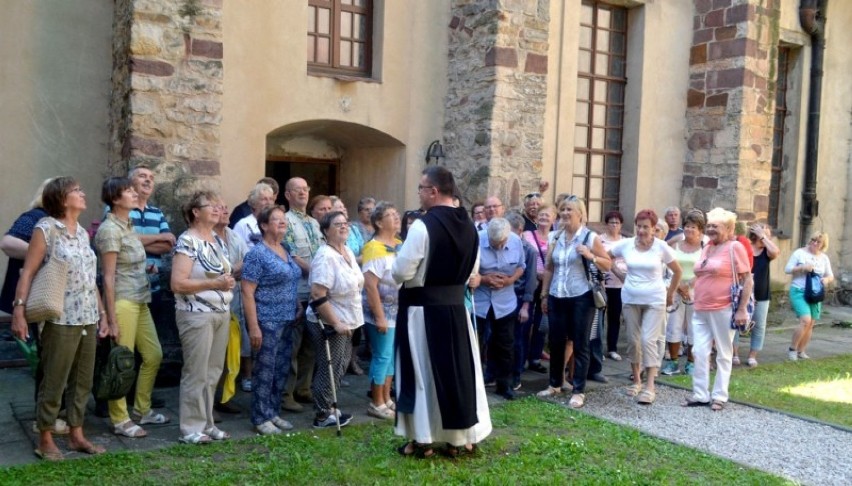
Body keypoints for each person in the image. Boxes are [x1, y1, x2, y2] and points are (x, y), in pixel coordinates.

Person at [392, 166, 491, 458]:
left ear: (434, 191)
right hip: (456, 311)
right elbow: (473, 269)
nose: (419, 194)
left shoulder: (423, 226)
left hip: (422, 313)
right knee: (458, 373)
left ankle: (421, 440)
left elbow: (400, 271)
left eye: (422, 188)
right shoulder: (471, 226)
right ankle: (460, 438)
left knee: (422, 374)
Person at [11, 177, 110, 460]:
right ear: (62, 198)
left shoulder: (81, 232)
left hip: (87, 315)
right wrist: (19, 310)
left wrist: (102, 313)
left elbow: (91, 279)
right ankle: (45, 437)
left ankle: (77, 434)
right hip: (59, 316)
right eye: (76, 191)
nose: (82, 194)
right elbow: (28, 272)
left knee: (82, 380)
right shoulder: (45, 229)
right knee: (54, 378)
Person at [95, 177, 168, 438]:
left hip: (141, 298)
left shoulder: (128, 226)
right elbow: (108, 277)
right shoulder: (110, 230)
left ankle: (141, 409)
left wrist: (144, 268)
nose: (134, 193)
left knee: (153, 355)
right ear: (115, 199)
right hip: (123, 301)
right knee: (121, 361)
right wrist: (111, 318)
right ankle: (120, 418)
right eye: (128, 190)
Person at [1, 178, 70, 435]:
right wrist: (42, 252)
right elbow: (8, 243)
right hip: (35, 299)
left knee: (50, 356)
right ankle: (44, 418)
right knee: (44, 357)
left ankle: (54, 410)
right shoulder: (35, 217)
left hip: (49, 298)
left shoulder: (60, 223)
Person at [171, 190, 235, 444]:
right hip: (196, 314)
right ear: (196, 212)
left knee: (213, 372)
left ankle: (207, 424)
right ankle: (190, 428)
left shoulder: (217, 241)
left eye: (220, 205)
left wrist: (225, 282)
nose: (219, 209)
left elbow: (219, 277)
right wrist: (216, 284)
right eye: (212, 206)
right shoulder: (188, 241)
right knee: (196, 372)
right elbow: (177, 283)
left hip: (220, 313)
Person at [537, 196, 611, 409]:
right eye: (562, 210)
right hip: (557, 295)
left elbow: (607, 264)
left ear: (580, 213)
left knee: (580, 343)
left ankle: (578, 390)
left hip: (581, 296)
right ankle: (555, 384)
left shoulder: (589, 237)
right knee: (557, 341)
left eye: (570, 210)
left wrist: (590, 256)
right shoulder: (555, 236)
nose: (565, 214)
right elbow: (549, 267)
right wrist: (544, 294)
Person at [682, 208, 752, 411]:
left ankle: (720, 395)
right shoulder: (707, 247)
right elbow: (703, 273)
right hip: (701, 307)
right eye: (709, 225)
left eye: (715, 226)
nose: (710, 229)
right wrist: (688, 285)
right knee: (699, 351)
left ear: (729, 229)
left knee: (723, 352)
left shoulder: (734, 247)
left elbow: (747, 280)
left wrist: (741, 310)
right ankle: (700, 394)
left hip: (723, 307)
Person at [609, 210, 682, 405]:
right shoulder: (626, 245)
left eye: (646, 227)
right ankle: (637, 380)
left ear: (654, 228)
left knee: (648, 339)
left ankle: (650, 385)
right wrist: (618, 273)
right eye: (639, 226)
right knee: (633, 341)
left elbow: (677, 271)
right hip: (631, 298)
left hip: (655, 299)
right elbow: (605, 257)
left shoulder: (661, 247)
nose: (641, 231)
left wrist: (670, 293)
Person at [241, 205, 301, 434]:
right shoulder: (257, 253)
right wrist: (254, 327)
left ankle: (273, 412)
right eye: (276, 220)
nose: (282, 222)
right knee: (265, 370)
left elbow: (291, 279)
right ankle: (259, 417)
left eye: (283, 219)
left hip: (288, 318)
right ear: (264, 225)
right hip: (266, 320)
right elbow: (247, 291)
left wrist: (296, 304)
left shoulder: (285, 247)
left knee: (281, 369)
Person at [306, 211, 364, 429]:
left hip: (350, 319)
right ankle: (322, 414)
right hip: (331, 322)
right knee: (330, 367)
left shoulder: (346, 251)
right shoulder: (325, 256)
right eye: (337, 224)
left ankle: (330, 405)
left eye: (345, 223)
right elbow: (318, 293)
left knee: (340, 365)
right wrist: (337, 323)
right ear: (325, 230)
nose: (343, 226)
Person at [282, 178, 323, 413]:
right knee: (293, 346)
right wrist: (317, 273)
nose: (303, 193)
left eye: (306, 189)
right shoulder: (285, 221)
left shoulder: (314, 223)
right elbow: (291, 254)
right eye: (297, 190)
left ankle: (303, 388)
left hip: (316, 292)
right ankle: (286, 394)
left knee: (310, 344)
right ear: (287, 195)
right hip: (297, 291)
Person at [474, 217, 526, 400]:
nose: (498, 246)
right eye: (494, 243)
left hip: (505, 302)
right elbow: (468, 270)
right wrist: (485, 279)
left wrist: (510, 280)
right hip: (480, 301)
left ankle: (505, 385)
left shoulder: (516, 241)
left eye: (501, 243)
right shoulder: (476, 239)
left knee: (505, 344)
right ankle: (475, 385)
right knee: (476, 344)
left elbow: (521, 266)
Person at [361, 202, 402, 420]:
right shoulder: (374, 248)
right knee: (382, 355)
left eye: (396, 213)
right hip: (381, 313)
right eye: (390, 214)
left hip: (397, 311)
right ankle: (376, 401)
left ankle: (387, 398)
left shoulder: (399, 244)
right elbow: (370, 285)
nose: (396, 217)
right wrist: (379, 317)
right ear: (378, 222)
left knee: (391, 357)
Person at [213, 202, 248, 414]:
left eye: (227, 207)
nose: (225, 211)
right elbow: (214, 272)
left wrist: (231, 271)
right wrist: (233, 270)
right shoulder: (205, 238)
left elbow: (248, 260)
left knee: (230, 353)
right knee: (214, 355)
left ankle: (225, 398)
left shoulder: (233, 235)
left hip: (234, 302)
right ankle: (209, 403)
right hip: (214, 303)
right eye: (219, 208)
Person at [662, 210, 705, 376]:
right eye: (687, 226)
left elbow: (704, 269)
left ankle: (691, 362)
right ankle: (673, 362)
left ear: (700, 230)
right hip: (676, 288)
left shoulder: (704, 247)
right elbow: (669, 265)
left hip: (697, 291)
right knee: (674, 325)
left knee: (695, 327)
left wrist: (690, 285)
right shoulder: (676, 244)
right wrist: (679, 286)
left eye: (693, 227)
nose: (689, 230)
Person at [732, 223, 779, 367]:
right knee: (736, 324)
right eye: (760, 228)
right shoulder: (745, 247)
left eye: (766, 230)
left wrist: (763, 237)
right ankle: (734, 354)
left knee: (759, 326)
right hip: (742, 292)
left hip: (761, 294)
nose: (763, 231)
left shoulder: (767, 251)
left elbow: (775, 252)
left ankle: (752, 356)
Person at [785, 231, 834, 361]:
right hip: (799, 290)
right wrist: (802, 268)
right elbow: (788, 269)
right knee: (805, 320)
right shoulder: (799, 253)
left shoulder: (824, 258)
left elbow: (830, 275)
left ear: (823, 245)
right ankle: (792, 349)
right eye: (813, 240)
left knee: (811, 323)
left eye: (818, 242)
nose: (814, 243)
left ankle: (802, 351)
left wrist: (826, 280)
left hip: (815, 293)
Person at [521, 204, 554, 373]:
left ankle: (535, 357)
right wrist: (537, 272)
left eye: (547, 215)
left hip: (547, 283)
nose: (543, 218)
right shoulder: (527, 235)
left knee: (542, 321)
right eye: (541, 215)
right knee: (525, 320)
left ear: (553, 219)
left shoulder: (555, 237)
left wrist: (546, 275)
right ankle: (521, 357)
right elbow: (523, 258)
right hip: (530, 282)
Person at [506, 212, 537, 392]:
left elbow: (531, 280)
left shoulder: (529, 250)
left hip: (519, 299)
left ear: (519, 231)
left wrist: (526, 306)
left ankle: (516, 375)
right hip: (503, 297)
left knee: (518, 340)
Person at [599, 210, 626, 361]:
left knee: (614, 317)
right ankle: (598, 349)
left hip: (620, 285)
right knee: (599, 317)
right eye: (611, 222)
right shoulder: (600, 239)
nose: (614, 225)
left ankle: (612, 348)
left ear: (621, 225)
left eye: (617, 222)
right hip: (603, 283)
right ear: (606, 224)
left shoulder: (625, 241)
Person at [233, 182, 275, 252]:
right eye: (264, 199)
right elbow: (235, 251)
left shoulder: (276, 223)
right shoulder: (243, 224)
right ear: (254, 203)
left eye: (271, 199)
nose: (268, 202)